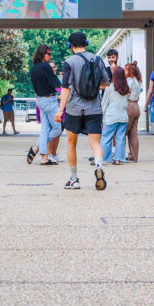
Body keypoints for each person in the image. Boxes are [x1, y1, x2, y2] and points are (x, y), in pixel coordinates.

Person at [57, 31, 110, 190]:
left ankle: (74, 179)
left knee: (71, 143)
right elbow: (106, 83)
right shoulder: (98, 59)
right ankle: (98, 166)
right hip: (94, 108)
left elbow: (65, 88)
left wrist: (60, 110)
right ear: (86, 43)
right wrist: (93, 88)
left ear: (70, 45)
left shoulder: (69, 62)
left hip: (74, 109)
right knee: (95, 143)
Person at [28, 44, 62, 166]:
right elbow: (56, 83)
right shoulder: (45, 67)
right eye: (49, 53)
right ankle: (36, 148)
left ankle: (44, 157)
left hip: (40, 101)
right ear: (43, 54)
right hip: (50, 100)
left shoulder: (34, 68)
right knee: (57, 129)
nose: (50, 56)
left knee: (45, 129)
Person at [100, 67, 131, 165]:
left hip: (111, 117)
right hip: (123, 117)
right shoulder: (127, 88)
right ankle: (118, 159)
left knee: (106, 138)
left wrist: (102, 116)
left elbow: (104, 104)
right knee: (120, 138)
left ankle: (104, 159)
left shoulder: (109, 88)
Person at [124, 62, 143, 162]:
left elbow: (126, 93)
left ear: (130, 71)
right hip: (136, 106)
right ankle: (134, 156)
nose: (124, 71)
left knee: (122, 132)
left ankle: (119, 156)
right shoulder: (138, 81)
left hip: (129, 105)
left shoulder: (129, 80)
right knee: (133, 134)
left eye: (125, 70)